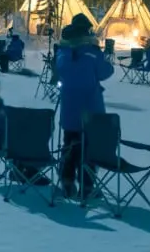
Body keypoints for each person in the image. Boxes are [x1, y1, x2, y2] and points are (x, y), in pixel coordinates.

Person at [56, 13, 114, 198]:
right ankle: (87, 186)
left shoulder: (62, 51)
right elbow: (105, 72)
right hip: (91, 106)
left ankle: (67, 182)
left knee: (69, 145)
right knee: (89, 148)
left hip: (69, 106)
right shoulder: (92, 51)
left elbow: (59, 72)